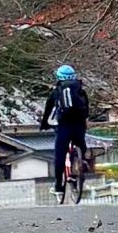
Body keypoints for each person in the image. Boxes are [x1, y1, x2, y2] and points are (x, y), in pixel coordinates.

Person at [48, 65, 89, 199]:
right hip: (79, 125)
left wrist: (46, 124)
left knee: (59, 154)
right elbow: (86, 110)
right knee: (80, 145)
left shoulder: (57, 91)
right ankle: (82, 161)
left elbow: (49, 112)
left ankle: (59, 186)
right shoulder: (80, 90)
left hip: (64, 126)